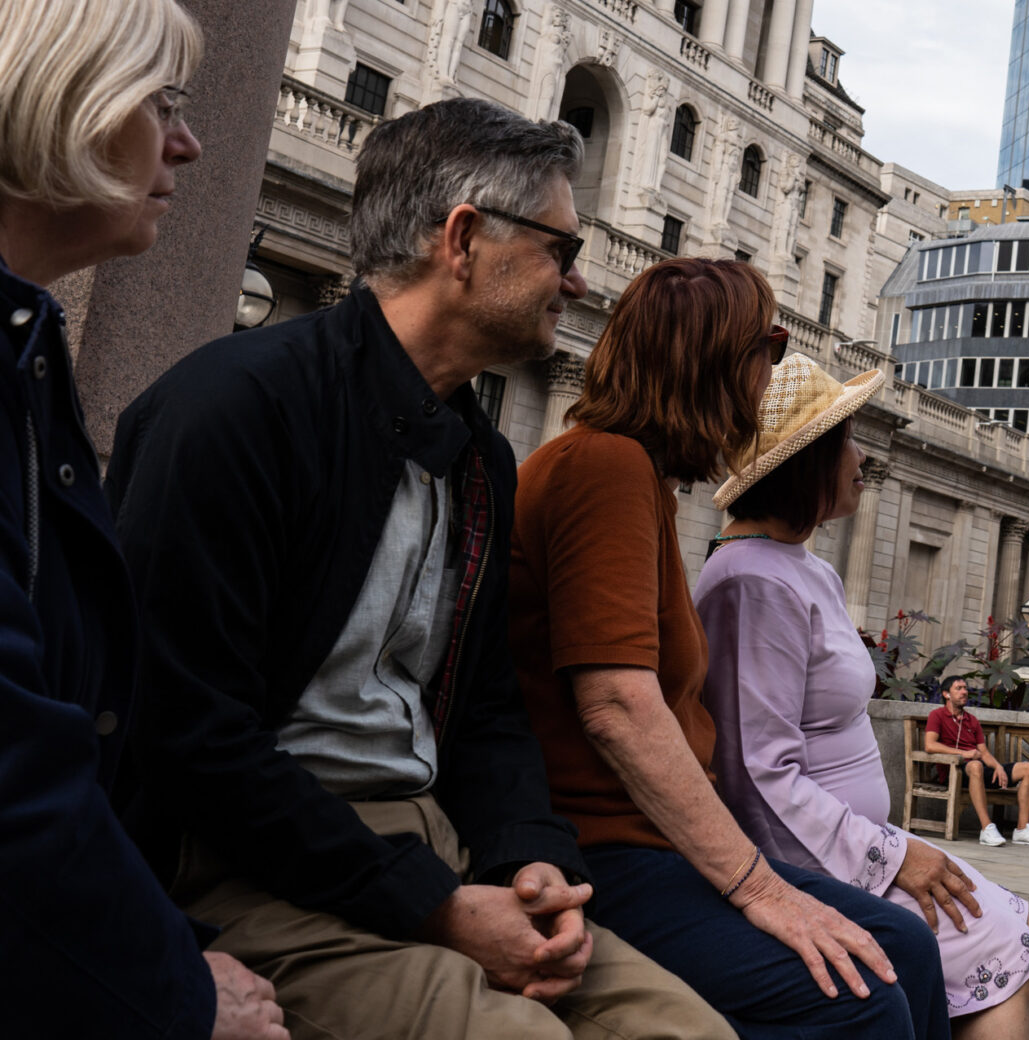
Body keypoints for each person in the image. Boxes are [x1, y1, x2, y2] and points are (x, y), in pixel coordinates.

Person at [107, 98, 731, 1039]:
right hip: (254, 863)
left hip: (441, 842)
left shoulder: (479, 457)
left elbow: (485, 710)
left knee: (690, 1032)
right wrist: (432, 908)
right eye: (563, 249)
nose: (577, 281)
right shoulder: (235, 409)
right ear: (465, 238)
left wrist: (532, 859)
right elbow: (189, 734)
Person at [510, 259, 949, 1038]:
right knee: (864, 991)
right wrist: (759, 887)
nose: (771, 375)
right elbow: (617, 706)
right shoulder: (602, 465)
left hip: (648, 845)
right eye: (770, 346)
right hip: (609, 852)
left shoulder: (635, 475)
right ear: (716, 361)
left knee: (905, 945)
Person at [0, 3, 286, 1036]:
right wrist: (184, 992)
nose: (190, 140)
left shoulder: (28, 350)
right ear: (65, 94)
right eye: (163, 101)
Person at [697, 355, 1029, 1036]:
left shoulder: (802, 568)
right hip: (810, 861)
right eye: (847, 442)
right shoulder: (750, 582)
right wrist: (891, 857)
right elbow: (757, 779)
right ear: (808, 465)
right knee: (995, 933)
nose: (861, 457)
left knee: (1009, 917)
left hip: (853, 846)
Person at [925, 674, 1029, 847]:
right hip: (955, 771)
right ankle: (986, 829)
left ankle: (1022, 829)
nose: (964, 692)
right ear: (946, 694)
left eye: (965, 688)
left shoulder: (971, 720)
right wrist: (964, 754)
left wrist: (998, 767)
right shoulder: (937, 715)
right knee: (975, 765)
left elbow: (983, 752)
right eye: (958, 689)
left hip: (979, 769)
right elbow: (930, 746)